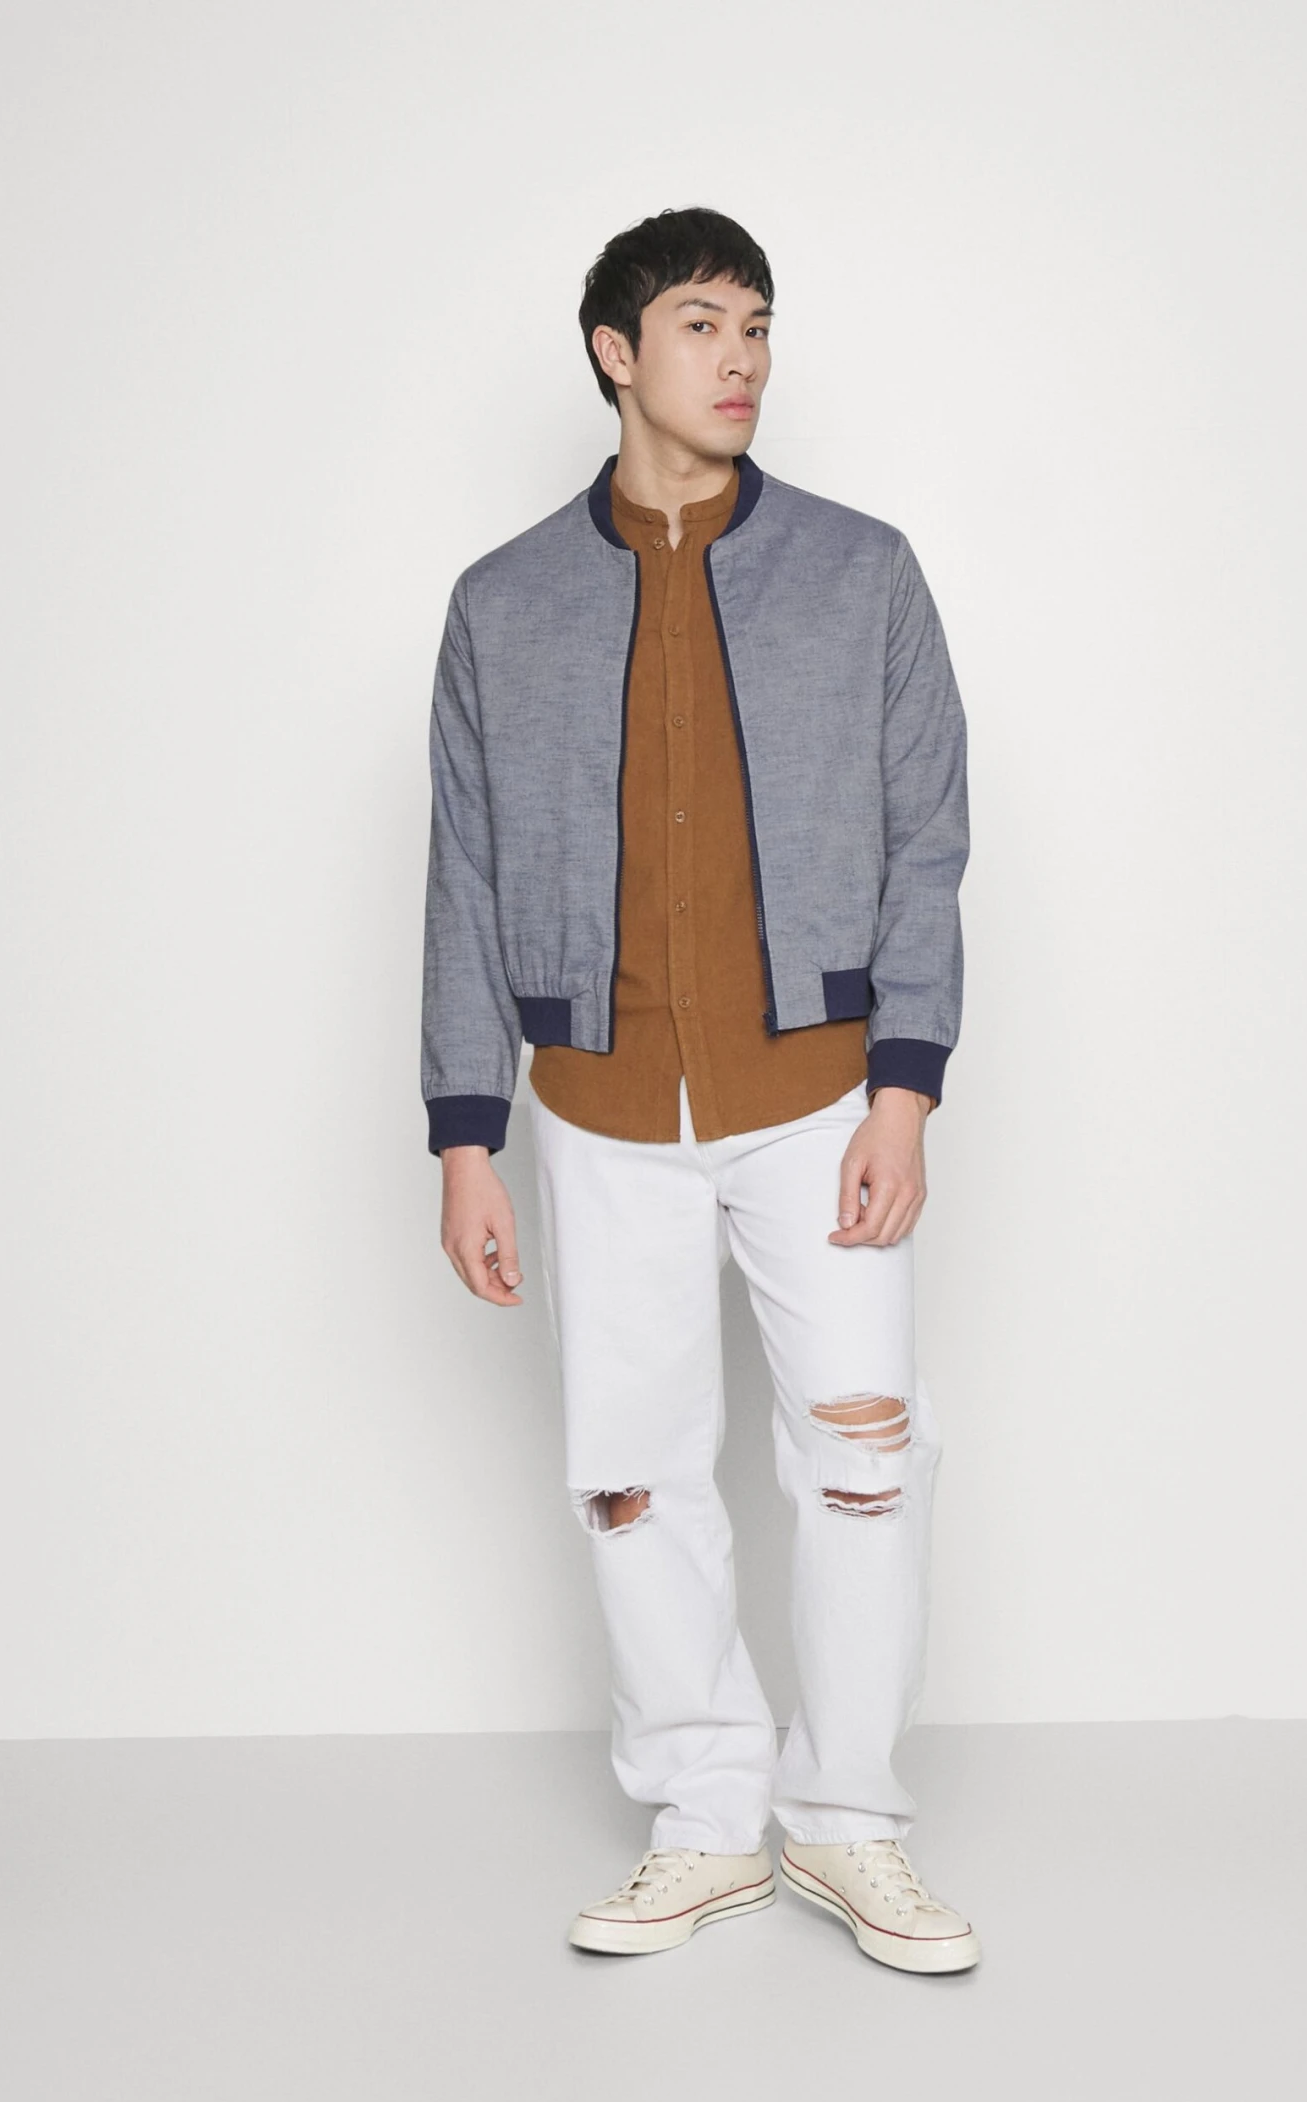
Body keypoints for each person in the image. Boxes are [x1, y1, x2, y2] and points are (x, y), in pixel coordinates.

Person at [420, 207, 976, 1974]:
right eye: (702, 325)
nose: (741, 359)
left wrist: (905, 1089)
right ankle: (706, 1813)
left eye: (759, 325)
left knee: (866, 1456)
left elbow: (928, 838)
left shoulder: (862, 572)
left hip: (819, 1095)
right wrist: (467, 1133)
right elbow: (464, 878)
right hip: (601, 1111)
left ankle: (849, 1818)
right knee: (633, 1473)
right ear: (616, 351)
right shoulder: (504, 604)